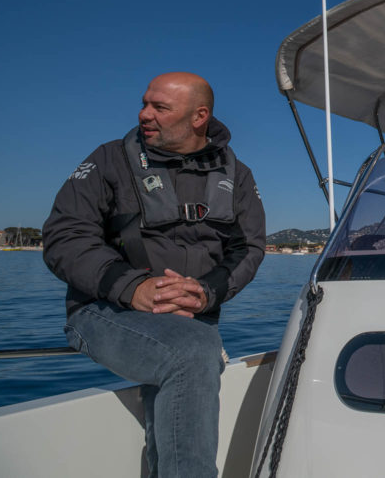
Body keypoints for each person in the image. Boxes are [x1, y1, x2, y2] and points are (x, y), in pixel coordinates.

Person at [43, 72, 266, 478]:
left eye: (159, 107)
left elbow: (248, 248)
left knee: (193, 344)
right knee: (193, 351)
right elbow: (65, 237)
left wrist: (207, 291)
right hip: (103, 310)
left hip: (191, 319)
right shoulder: (108, 160)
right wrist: (134, 287)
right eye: (145, 103)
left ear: (199, 117)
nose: (144, 114)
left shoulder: (237, 176)